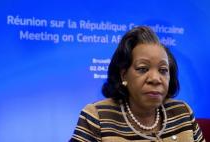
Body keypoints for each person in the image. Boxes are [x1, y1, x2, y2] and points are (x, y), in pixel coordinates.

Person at [70, 26, 205, 142]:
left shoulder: (183, 113)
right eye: (142, 69)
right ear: (124, 75)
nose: (155, 79)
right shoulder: (97, 117)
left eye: (163, 70)